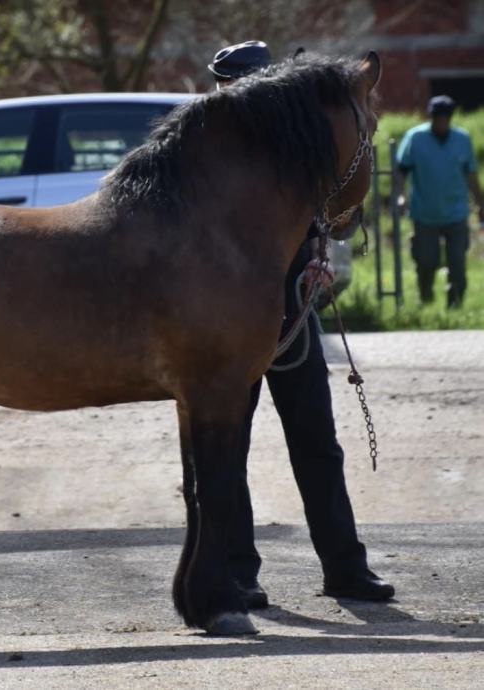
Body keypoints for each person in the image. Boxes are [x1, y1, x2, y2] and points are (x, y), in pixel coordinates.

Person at [207, 42, 395, 608]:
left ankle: (345, 569)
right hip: (225, 323)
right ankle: (236, 571)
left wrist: (319, 251)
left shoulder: (295, 149)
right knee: (226, 447)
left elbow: (331, 216)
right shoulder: (205, 157)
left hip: (290, 310)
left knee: (317, 442)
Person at [396, 95, 484, 307]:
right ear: (431, 117)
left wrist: (481, 203)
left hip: (456, 212)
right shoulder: (415, 138)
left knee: (457, 263)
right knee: (426, 261)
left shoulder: (462, 139)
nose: (441, 121)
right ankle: (426, 297)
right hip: (424, 212)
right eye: (438, 117)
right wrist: (400, 195)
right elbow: (401, 170)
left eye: (445, 117)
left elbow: (471, 174)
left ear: (450, 118)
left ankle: (455, 304)